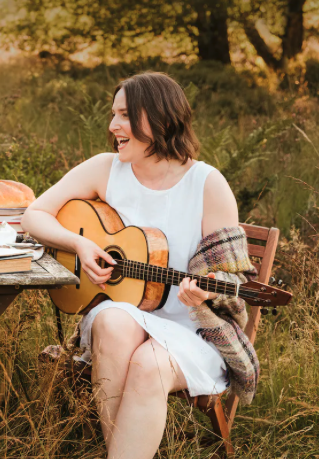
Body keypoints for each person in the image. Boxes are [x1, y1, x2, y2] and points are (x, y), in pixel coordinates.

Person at [21, 72, 258, 458]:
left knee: (149, 366)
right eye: (113, 114)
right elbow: (34, 215)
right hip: (125, 316)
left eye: (126, 115)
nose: (113, 125)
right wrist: (80, 243)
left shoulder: (206, 184)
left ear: (162, 118)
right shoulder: (105, 168)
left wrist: (204, 292)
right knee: (113, 320)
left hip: (192, 329)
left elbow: (230, 277)